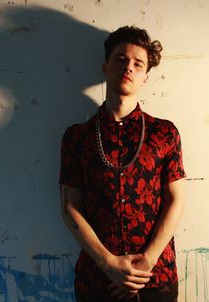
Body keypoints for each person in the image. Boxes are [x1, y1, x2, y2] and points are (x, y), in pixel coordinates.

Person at [59, 26, 186, 302]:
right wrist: (108, 264)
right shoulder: (77, 137)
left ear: (145, 77)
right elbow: (70, 207)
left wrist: (145, 263)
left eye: (138, 63)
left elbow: (176, 201)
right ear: (105, 67)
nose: (128, 67)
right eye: (120, 59)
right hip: (97, 280)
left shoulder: (165, 133)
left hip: (156, 280)